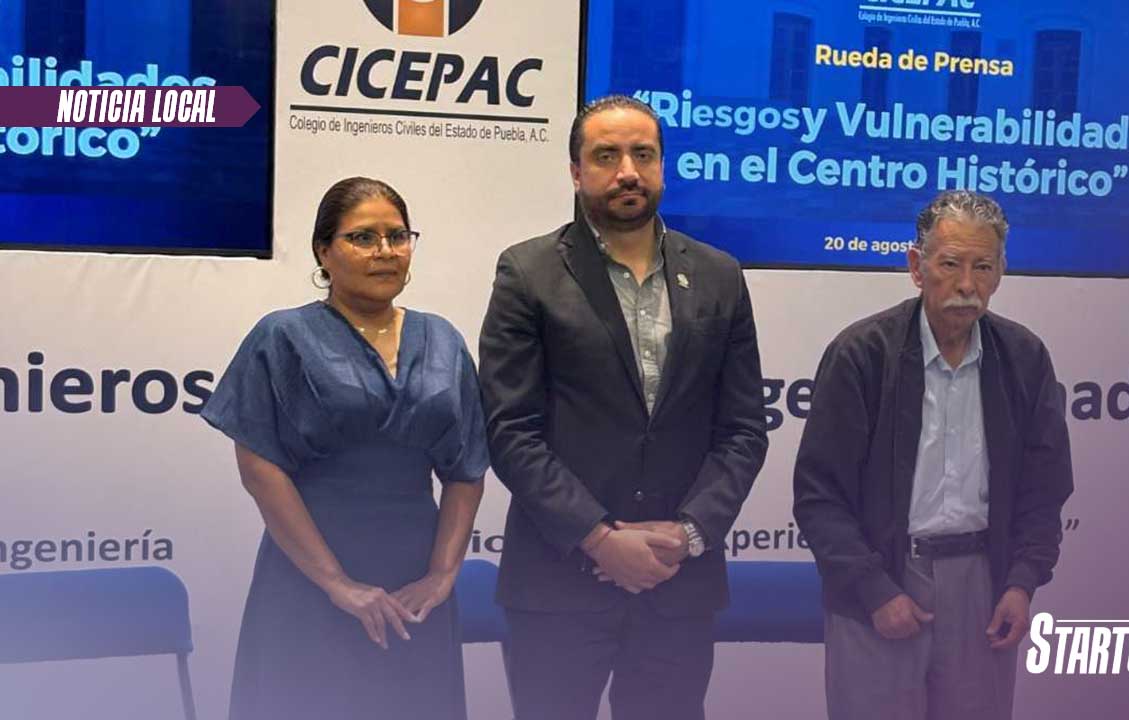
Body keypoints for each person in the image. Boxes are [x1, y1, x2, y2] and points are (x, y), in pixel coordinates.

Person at [478, 95, 769, 720]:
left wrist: (688, 533)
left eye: (643, 154)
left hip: (677, 586)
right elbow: (510, 430)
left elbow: (743, 429)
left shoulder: (719, 275)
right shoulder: (528, 273)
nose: (628, 171)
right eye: (606, 156)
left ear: (662, 166)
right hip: (558, 585)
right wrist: (598, 537)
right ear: (576, 171)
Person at [201, 177, 487, 720]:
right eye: (363, 237)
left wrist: (442, 575)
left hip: (416, 586)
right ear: (323, 251)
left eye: (397, 236)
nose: (385, 251)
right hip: (310, 580)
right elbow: (260, 468)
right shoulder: (283, 336)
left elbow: (467, 465)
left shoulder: (443, 339)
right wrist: (337, 583)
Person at [793, 190, 1074, 720]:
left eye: (983, 267)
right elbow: (819, 496)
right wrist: (873, 590)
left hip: (984, 587)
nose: (967, 284)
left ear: (1000, 272)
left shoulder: (1024, 357)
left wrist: (1022, 582)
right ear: (916, 267)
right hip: (882, 580)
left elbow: (1045, 489)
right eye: (950, 264)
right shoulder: (862, 354)